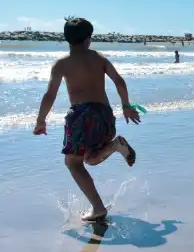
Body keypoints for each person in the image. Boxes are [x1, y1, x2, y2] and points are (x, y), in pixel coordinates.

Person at [33, 18, 140, 222]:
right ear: (89, 39)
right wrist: (126, 106)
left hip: (81, 117)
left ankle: (98, 208)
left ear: (66, 39)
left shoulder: (62, 64)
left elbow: (50, 95)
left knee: (73, 162)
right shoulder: (99, 58)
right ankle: (116, 145)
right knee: (90, 158)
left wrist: (41, 120)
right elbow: (119, 81)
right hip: (105, 116)